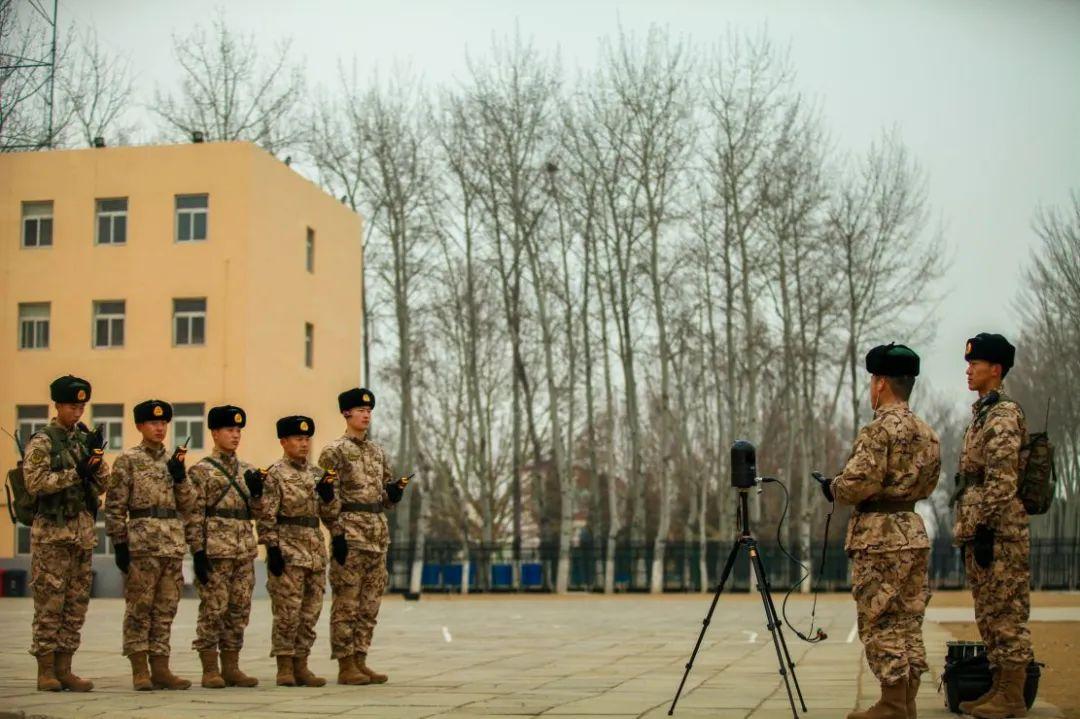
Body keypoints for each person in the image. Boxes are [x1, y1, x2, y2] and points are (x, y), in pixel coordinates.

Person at [817, 344, 940, 719]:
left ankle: (891, 704)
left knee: (881, 618)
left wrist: (833, 486)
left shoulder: (879, 429)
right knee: (908, 619)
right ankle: (906, 701)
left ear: (882, 382)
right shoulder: (927, 432)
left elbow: (859, 482)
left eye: (873, 379)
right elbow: (930, 483)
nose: (872, 387)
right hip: (912, 530)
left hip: (880, 537)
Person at [951, 333, 1032, 719]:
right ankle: (999, 687)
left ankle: (1012, 695)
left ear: (995, 369)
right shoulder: (983, 413)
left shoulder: (1002, 416)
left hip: (1000, 532)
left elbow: (1001, 481)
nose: (969, 370)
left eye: (975, 364)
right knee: (988, 613)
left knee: (1006, 612)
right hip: (983, 529)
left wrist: (982, 525)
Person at [22, 375, 109, 692]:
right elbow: (35, 483)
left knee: (75, 605)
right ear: (57, 405)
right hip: (52, 536)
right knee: (50, 604)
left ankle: (65, 668)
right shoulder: (42, 442)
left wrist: (96, 464)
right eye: (72, 405)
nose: (77, 411)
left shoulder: (84, 440)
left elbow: (103, 484)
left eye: (81, 406)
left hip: (82, 535)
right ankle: (46, 670)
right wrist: (76, 473)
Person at [105, 399, 197, 691]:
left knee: (166, 608)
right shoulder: (128, 460)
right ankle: (140, 670)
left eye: (163, 423)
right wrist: (119, 543)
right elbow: (115, 505)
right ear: (139, 426)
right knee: (139, 609)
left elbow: (189, 505)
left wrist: (180, 477)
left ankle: (161, 667)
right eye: (153, 423)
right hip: (142, 545)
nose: (159, 428)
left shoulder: (174, 461)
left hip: (171, 545)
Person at [318, 388, 405, 685]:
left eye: (369, 410)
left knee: (370, 604)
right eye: (360, 410)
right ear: (346, 413)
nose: (366, 415)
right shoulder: (334, 451)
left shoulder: (377, 452)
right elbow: (327, 496)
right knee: (347, 603)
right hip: (351, 535)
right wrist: (337, 532)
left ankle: (360, 658)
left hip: (377, 536)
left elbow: (384, 496)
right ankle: (345, 664)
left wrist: (393, 494)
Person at [251, 415, 340, 687]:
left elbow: (331, 513)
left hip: (314, 550)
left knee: (310, 612)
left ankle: (302, 663)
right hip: (288, 550)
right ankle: (285, 666)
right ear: (283, 441)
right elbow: (266, 514)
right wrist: (272, 547)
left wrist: (328, 497)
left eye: (306, 439)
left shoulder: (317, 475)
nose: (304, 444)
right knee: (287, 613)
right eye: (298, 439)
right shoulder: (275, 474)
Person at [184, 405, 259, 688]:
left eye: (239, 430)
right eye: (230, 429)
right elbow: (193, 515)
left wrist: (259, 492)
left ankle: (231, 666)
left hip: (243, 551)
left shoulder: (248, 470)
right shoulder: (201, 471)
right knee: (214, 609)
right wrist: (197, 552)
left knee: (239, 610)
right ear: (215, 432)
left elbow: (258, 511)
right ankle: (209, 668)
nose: (236, 435)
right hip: (215, 551)